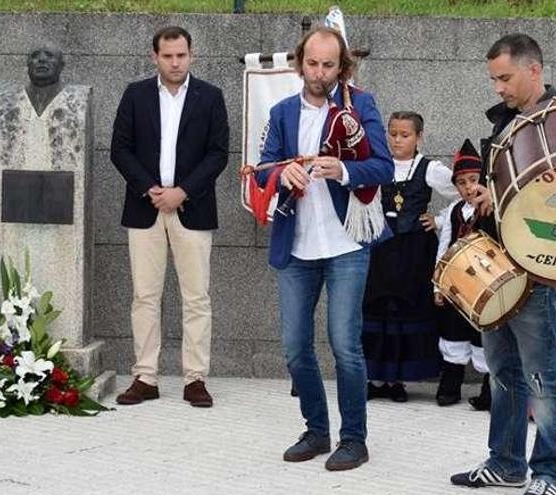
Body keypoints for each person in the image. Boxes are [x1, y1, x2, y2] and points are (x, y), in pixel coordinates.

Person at [254, 26, 394, 471]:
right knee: (295, 348)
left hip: (346, 243)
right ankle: (316, 431)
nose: (318, 73)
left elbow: (384, 167)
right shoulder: (281, 112)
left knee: (345, 345)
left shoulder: (361, 106)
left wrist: (345, 170)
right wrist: (282, 176)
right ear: (300, 63)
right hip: (296, 247)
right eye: (312, 64)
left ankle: (354, 439)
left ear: (343, 67)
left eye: (328, 65)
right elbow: (261, 171)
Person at [450, 33, 556, 495]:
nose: (497, 88)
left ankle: (550, 474)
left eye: (505, 77)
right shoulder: (503, 121)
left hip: (536, 268)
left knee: (543, 377)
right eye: (493, 79)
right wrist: (486, 195)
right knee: (502, 374)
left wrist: (498, 197)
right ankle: (505, 463)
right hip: (496, 262)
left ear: (533, 70)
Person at [110, 26, 229, 408]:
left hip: (192, 209)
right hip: (145, 209)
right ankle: (145, 376)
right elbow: (120, 149)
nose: (175, 62)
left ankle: (195, 378)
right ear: (155, 57)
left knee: (197, 298)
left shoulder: (210, 97)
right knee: (145, 296)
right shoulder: (135, 95)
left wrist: (182, 191)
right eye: (168, 56)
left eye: (181, 55)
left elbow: (218, 153)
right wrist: (150, 189)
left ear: (191, 55)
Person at [362, 111, 458, 403]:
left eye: (405, 135)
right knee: (378, 308)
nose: (397, 140)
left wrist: (440, 220)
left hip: (414, 251)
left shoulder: (429, 168)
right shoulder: (378, 164)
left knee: (406, 309)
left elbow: (462, 191)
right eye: (393, 134)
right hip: (381, 247)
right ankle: (376, 377)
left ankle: (398, 379)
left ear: (419, 137)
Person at [432, 139, 494, 409]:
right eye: (462, 183)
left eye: (473, 180)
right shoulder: (454, 212)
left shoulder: (493, 209)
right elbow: (443, 247)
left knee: (483, 333)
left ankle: (489, 389)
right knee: (453, 331)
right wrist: (438, 284)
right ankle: (451, 383)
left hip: (484, 283)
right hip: (456, 284)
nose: (469, 188)